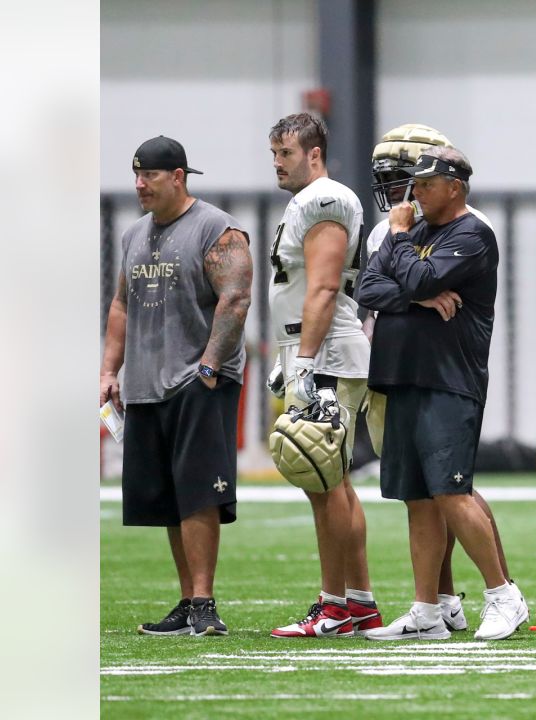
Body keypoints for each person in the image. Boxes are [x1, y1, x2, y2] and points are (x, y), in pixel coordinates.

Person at [357, 145, 528, 641]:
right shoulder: (413, 231)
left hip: (449, 378)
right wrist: (422, 296)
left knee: (451, 491)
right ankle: (427, 612)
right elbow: (368, 288)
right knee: (417, 498)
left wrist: (406, 260)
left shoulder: (471, 233)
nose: (415, 194)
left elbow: (416, 274)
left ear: (455, 187)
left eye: (426, 185)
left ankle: (503, 596)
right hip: (402, 374)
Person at [100, 136, 251, 636]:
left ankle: (205, 603)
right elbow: (121, 305)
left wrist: (208, 369)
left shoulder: (215, 227)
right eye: (136, 175)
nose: (140, 185)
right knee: (167, 497)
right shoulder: (134, 235)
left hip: (198, 381)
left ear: (178, 177)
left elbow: (235, 298)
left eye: (150, 176)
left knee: (197, 495)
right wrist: (109, 371)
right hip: (147, 385)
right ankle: (188, 601)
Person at [264, 112, 382, 639]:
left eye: (285, 153)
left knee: (323, 480)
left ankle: (335, 605)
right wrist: (287, 355)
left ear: (314, 153)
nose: (277, 164)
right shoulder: (307, 201)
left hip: (326, 352)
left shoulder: (325, 197)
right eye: (274, 154)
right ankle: (359, 604)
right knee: (331, 482)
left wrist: (306, 360)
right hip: (311, 347)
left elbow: (325, 287)